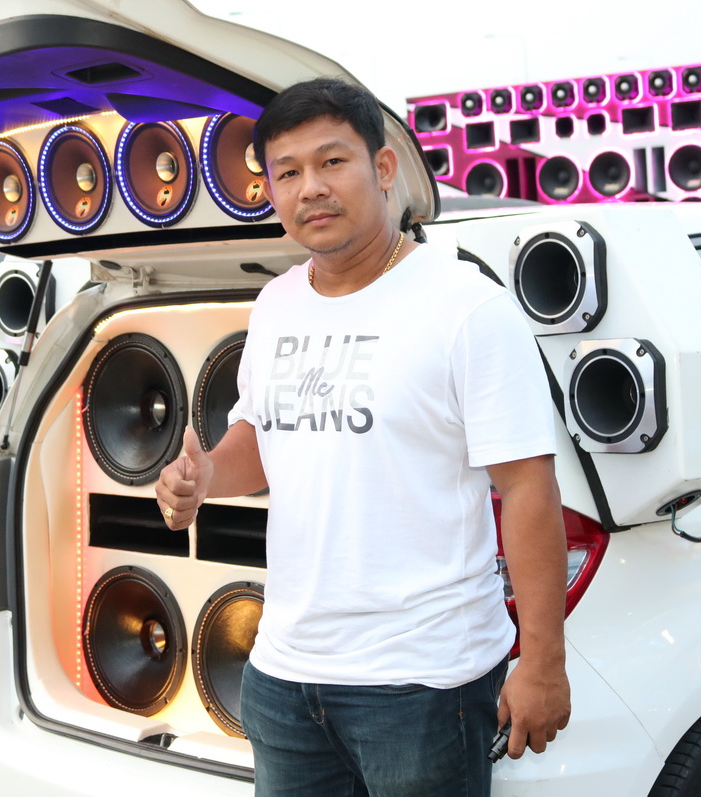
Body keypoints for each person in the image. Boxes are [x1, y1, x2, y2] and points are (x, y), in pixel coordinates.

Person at [155, 77, 569, 796]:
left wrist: (542, 663)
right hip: (283, 675)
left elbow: (528, 486)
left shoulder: (465, 307)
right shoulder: (277, 303)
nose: (310, 188)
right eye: (287, 172)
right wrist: (206, 477)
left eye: (331, 162)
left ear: (382, 168)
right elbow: (262, 436)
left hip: (423, 681)